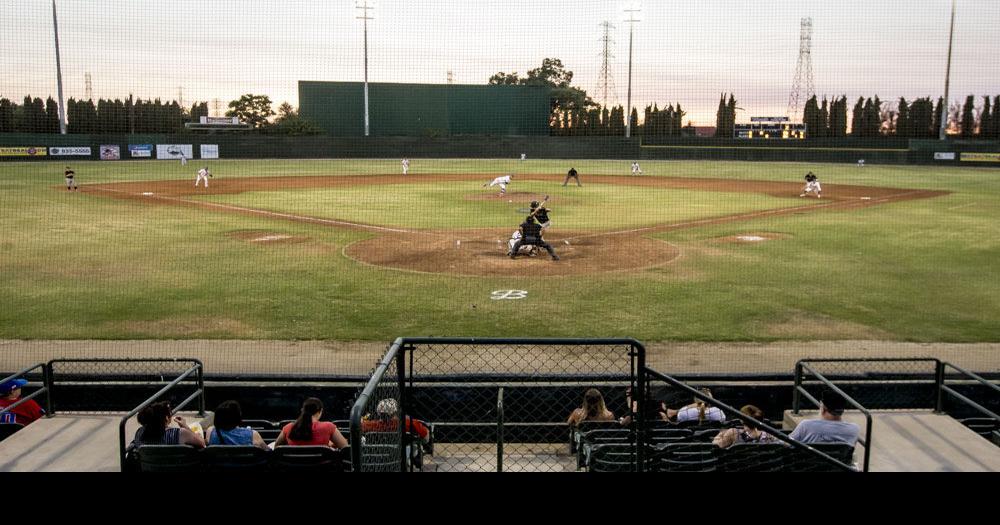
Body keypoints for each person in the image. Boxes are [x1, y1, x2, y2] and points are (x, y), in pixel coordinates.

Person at [789, 389, 860, 446]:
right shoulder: (854, 430)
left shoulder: (806, 425)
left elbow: (787, 443)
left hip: (811, 463)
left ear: (823, 408)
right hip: (839, 463)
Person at [274, 397, 348, 449]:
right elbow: (345, 447)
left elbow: (276, 447)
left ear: (302, 410)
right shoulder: (329, 427)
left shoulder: (288, 427)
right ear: (320, 411)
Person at [130, 401, 206, 449]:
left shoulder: (140, 432)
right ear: (166, 418)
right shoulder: (179, 433)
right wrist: (185, 427)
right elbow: (202, 443)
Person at [360, 399, 430, 443]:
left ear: (379, 412)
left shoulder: (371, 425)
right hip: (403, 453)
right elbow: (425, 437)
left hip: (379, 453)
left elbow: (361, 425)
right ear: (396, 411)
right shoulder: (409, 423)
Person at [713, 405, 777, 448]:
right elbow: (784, 444)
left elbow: (715, 445)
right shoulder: (768, 435)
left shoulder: (732, 433)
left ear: (741, 420)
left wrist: (720, 435)